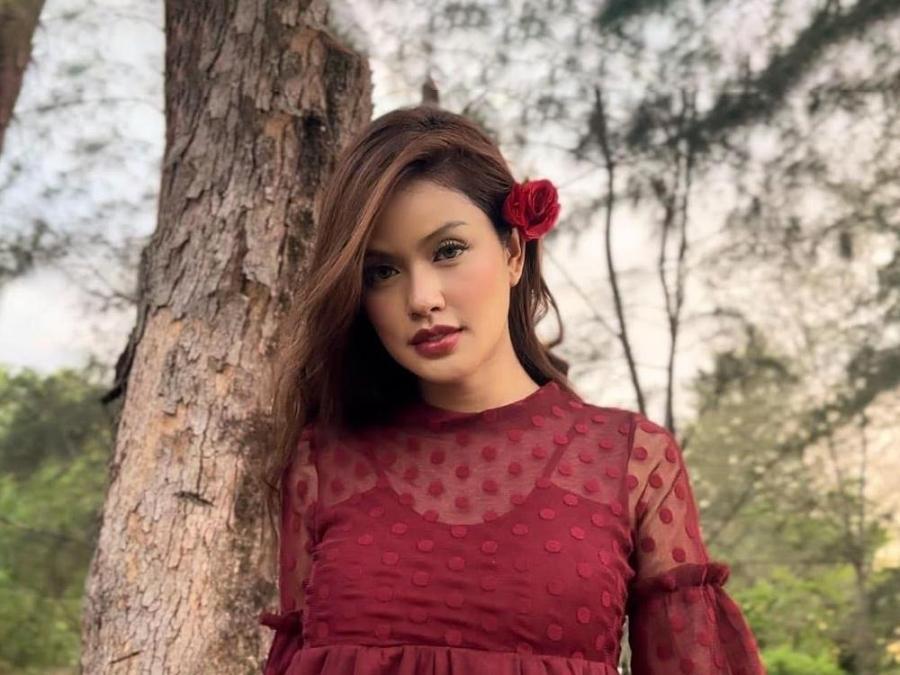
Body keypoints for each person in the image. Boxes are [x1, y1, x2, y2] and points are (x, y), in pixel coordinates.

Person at [257, 104, 767, 674]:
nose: (421, 299)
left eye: (448, 251)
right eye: (382, 272)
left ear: (514, 253)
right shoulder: (324, 462)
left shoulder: (630, 460)